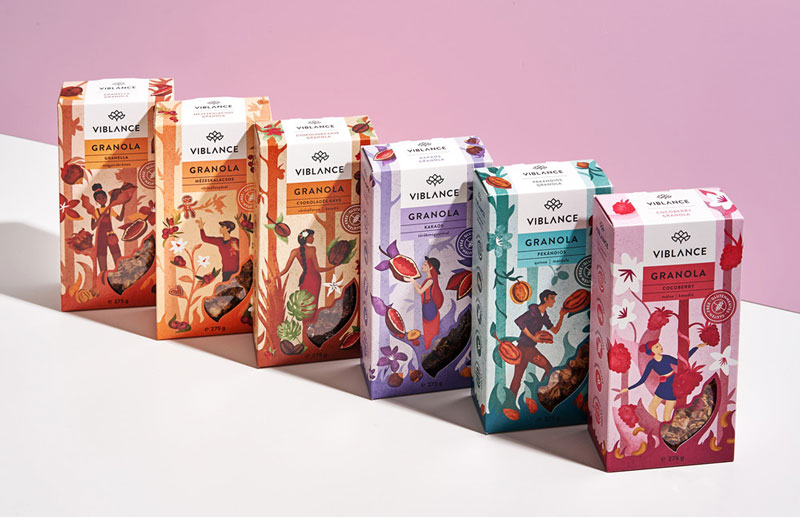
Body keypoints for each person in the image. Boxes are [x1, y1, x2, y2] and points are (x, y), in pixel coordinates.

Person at [619, 340, 707, 421]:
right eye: (657, 346)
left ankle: (666, 430)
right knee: (652, 407)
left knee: (667, 413)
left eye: (659, 345)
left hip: (673, 383)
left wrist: (696, 347)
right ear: (652, 351)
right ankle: (656, 426)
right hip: (663, 385)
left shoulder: (666, 358)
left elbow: (680, 361)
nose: (660, 347)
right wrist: (628, 388)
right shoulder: (651, 363)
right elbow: (643, 379)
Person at [509, 289, 567, 396]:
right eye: (552, 298)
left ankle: (540, 394)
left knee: (518, 378)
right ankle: (539, 394)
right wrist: (533, 337)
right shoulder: (533, 312)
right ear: (545, 299)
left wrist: (562, 316)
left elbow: (555, 330)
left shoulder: (544, 316)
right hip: (524, 349)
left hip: (529, 349)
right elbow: (519, 321)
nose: (554, 301)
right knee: (547, 369)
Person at [280, 230, 337, 327]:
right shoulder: (312, 249)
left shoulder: (294, 251)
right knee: (313, 304)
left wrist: (275, 276)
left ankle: (305, 326)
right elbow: (318, 269)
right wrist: (332, 267)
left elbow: (285, 269)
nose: (313, 238)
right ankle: (310, 327)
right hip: (314, 279)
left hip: (304, 279)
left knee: (305, 304)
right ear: (306, 238)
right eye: (311, 236)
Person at [90, 183, 125, 283]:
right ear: (96, 200)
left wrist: (124, 205)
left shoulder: (110, 209)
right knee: (102, 262)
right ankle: (104, 283)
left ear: (106, 198)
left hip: (111, 236)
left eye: (103, 197)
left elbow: (120, 218)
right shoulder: (95, 211)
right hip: (100, 238)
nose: (102, 199)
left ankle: (121, 280)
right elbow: (92, 227)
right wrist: (101, 216)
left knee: (118, 259)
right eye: (99, 198)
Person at [409, 257, 444, 350]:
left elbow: (420, 291)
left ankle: (431, 349)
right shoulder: (428, 280)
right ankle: (429, 349)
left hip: (430, 309)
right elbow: (422, 289)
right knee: (428, 331)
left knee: (430, 332)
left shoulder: (430, 281)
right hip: (427, 307)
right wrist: (414, 281)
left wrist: (413, 282)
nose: (422, 266)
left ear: (431, 267)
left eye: (425, 265)